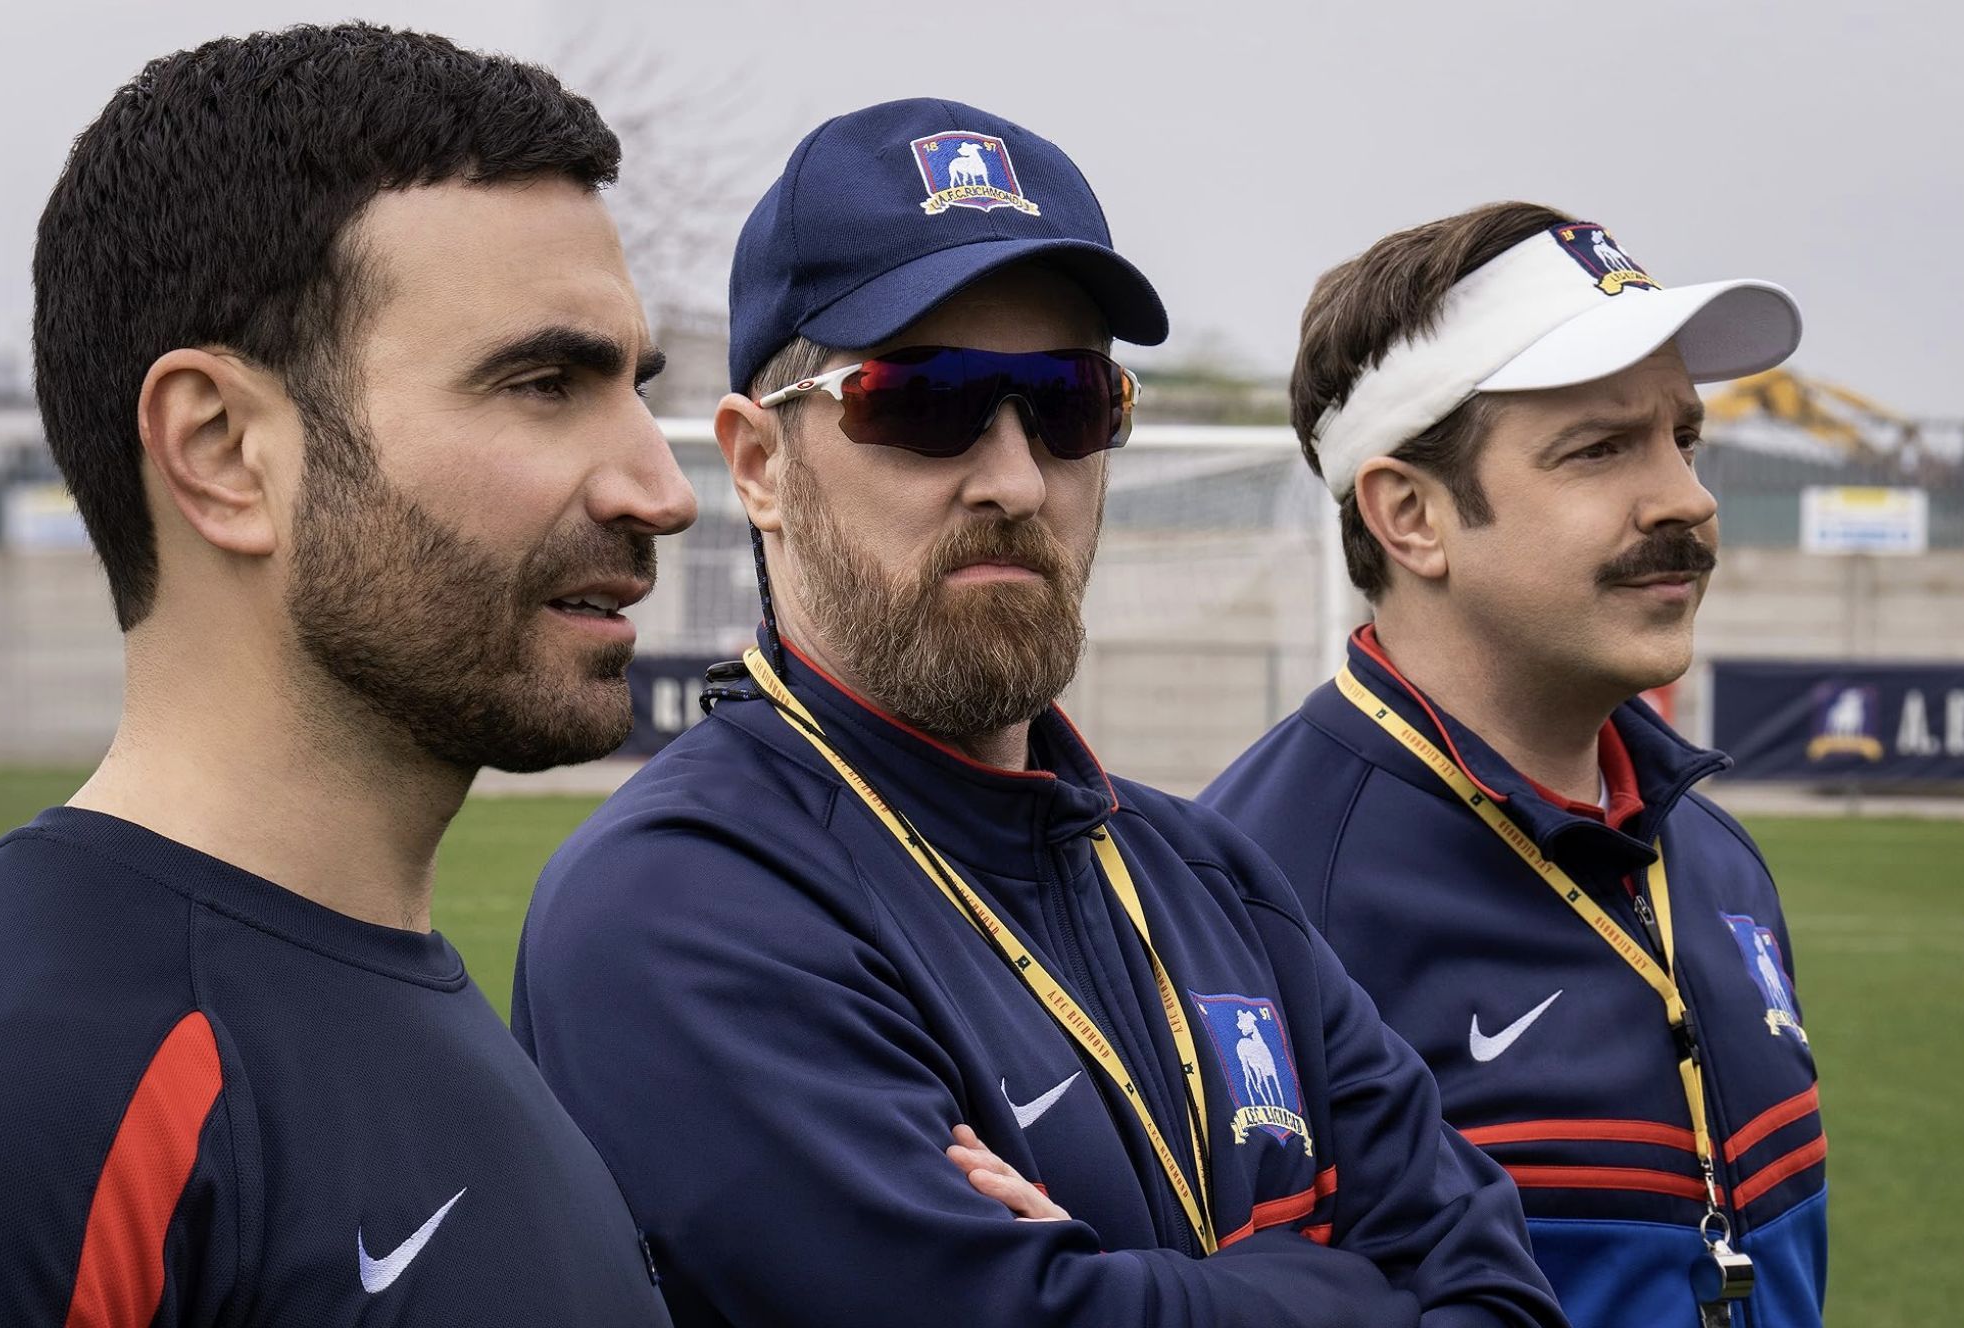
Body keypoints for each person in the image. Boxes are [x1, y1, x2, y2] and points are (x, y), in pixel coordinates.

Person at [512, 99, 1564, 1328]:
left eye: (1068, 403)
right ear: (757, 464)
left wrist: (1129, 1291)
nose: (1014, 479)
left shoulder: (1213, 878)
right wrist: (1341, 1282)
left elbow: (1503, 1293)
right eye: (925, 400)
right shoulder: (679, 904)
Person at [0, 24, 695, 1324]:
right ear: (224, 451)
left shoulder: (407, 999)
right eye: (542, 383)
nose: (662, 488)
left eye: (634, 387)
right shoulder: (7, 1110)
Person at [1201, 203, 1824, 1328]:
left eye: (1682, 437)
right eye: (1598, 448)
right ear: (1411, 515)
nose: (1687, 497)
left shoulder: (1714, 854)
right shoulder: (1246, 899)